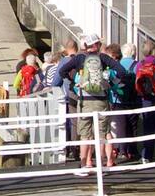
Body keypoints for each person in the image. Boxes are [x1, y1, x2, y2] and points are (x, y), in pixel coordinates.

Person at [50, 37, 129, 171]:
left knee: (85, 135)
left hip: (84, 101)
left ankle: (85, 164)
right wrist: (110, 83)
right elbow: (122, 71)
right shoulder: (103, 58)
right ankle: (101, 165)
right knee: (102, 133)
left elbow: (62, 71)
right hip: (101, 101)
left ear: (86, 45)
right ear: (97, 45)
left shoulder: (79, 59)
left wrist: (74, 82)